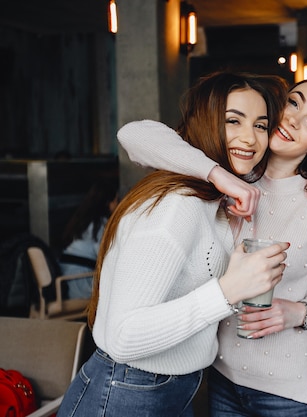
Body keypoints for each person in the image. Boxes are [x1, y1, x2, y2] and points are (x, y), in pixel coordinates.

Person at [118, 77, 307, 416]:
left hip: (288, 389)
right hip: (221, 379)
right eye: (294, 103)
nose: (293, 119)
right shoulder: (231, 172)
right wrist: (219, 175)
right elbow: (134, 135)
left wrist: (296, 312)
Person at [57, 71, 290, 417]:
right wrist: (228, 290)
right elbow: (123, 337)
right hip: (128, 390)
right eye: (233, 120)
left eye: (260, 125)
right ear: (205, 124)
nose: (249, 137)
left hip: (173, 388)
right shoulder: (178, 205)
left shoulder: (215, 204)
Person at [58, 178, 119, 299]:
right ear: (108, 203)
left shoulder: (82, 221)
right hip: (79, 282)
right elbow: (106, 258)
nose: (117, 205)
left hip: (65, 279)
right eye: (116, 200)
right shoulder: (101, 225)